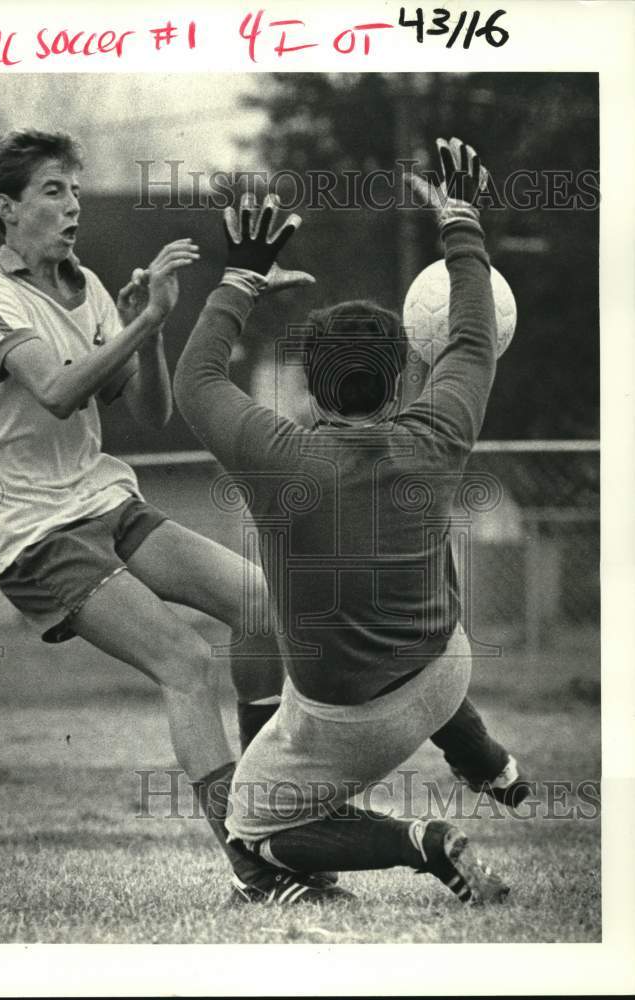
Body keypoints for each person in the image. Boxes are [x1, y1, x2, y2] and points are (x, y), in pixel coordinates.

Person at [0, 128, 351, 903]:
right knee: (184, 662)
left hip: (105, 500)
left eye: (75, 188)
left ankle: (276, 816)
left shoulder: (89, 286)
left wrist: (151, 328)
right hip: (34, 533)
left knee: (265, 607)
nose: (74, 205)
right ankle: (253, 862)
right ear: (7, 208)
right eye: (52, 191)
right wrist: (143, 320)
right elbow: (58, 390)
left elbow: (153, 410)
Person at [173, 137, 529, 905]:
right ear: (403, 379)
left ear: (309, 388)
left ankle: (424, 843)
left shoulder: (278, 457)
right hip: (446, 672)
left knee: (252, 828)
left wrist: (239, 278)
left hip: (353, 722)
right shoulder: (435, 434)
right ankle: (487, 762)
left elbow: (195, 378)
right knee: (404, 625)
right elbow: (471, 341)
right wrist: (461, 224)